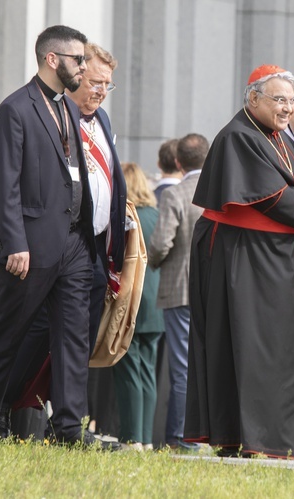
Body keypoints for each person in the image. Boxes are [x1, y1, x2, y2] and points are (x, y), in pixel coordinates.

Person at [0, 25, 117, 450]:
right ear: (52, 60)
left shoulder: (67, 107)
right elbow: (4, 185)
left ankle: (67, 430)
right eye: (78, 60)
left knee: (72, 339)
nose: (84, 67)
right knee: (5, 335)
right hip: (29, 245)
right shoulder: (16, 108)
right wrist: (14, 243)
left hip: (74, 244)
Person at [185, 64, 294, 458]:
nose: (287, 109)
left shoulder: (277, 137)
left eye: (291, 101)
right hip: (245, 257)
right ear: (254, 99)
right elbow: (266, 195)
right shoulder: (238, 135)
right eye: (280, 100)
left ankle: (274, 437)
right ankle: (255, 439)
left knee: (273, 345)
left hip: (271, 256)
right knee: (251, 345)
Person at [0, 43, 128, 440]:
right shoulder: (42, 116)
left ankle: (68, 426)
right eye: (95, 81)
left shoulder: (100, 119)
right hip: (44, 249)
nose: (101, 90)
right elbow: (13, 185)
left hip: (90, 250)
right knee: (31, 338)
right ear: (73, 76)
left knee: (76, 340)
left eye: (108, 84)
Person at [147, 133, 209, 450]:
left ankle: (181, 437)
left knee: (183, 367)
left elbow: (160, 244)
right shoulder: (220, 190)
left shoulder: (175, 194)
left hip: (181, 289)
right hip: (216, 291)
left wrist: (154, 262)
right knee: (209, 365)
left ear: (178, 162)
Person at [111, 162, 162, 450]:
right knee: (148, 371)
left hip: (130, 300)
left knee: (128, 367)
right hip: (156, 302)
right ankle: (145, 438)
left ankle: (132, 438)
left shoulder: (123, 217)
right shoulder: (157, 214)